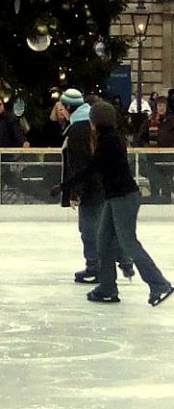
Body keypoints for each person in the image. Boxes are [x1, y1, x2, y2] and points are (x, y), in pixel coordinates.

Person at [54, 101, 172, 306]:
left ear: (96, 120)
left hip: (124, 198)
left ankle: (159, 284)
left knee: (128, 242)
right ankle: (107, 288)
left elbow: (92, 167)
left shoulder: (108, 141)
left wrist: (65, 186)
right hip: (115, 196)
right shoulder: (109, 138)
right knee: (103, 241)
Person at [58, 88, 132, 284]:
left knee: (89, 228)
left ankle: (97, 266)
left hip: (93, 187)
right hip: (106, 185)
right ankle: (121, 258)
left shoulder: (78, 129)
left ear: (67, 106)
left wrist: (75, 192)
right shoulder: (92, 124)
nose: (60, 112)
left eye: (61, 107)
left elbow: (80, 163)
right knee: (102, 226)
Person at [134, 94, 174, 202]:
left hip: (168, 158)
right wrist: (146, 146)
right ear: (156, 107)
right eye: (159, 105)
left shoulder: (171, 121)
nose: (161, 108)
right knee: (154, 181)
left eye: (163, 106)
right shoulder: (149, 121)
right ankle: (154, 200)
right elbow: (139, 138)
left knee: (167, 181)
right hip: (153, 157)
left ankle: (167, 200)